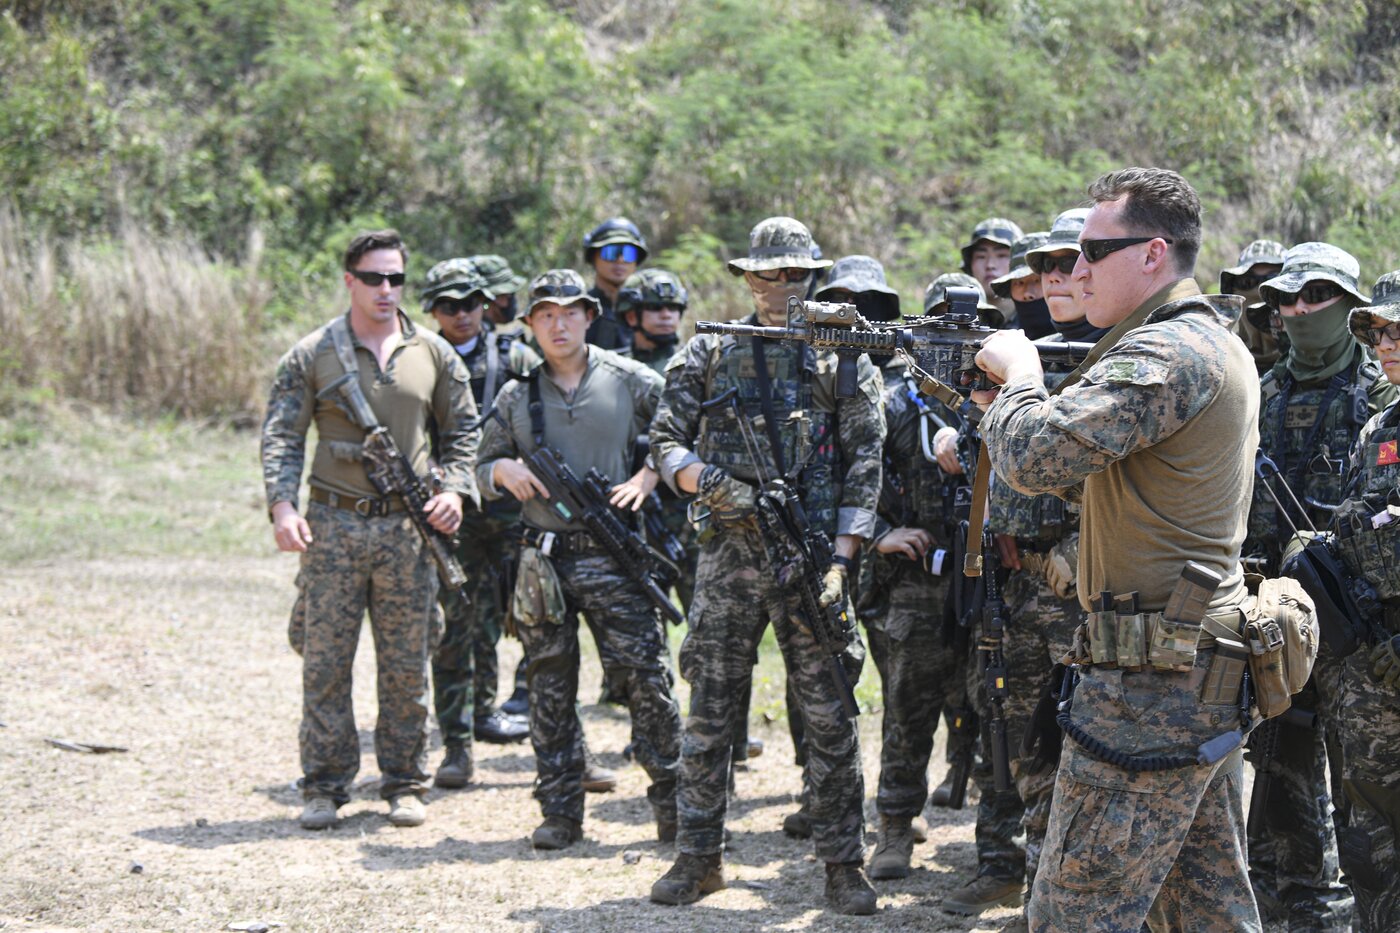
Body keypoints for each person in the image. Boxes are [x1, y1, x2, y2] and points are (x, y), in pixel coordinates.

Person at [974, 167, 1263, 930]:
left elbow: (1036, 459)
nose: (1073, 273)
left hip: (1149, 681)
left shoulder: (1167, 353)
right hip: (1184, 665)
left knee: (1075, 909)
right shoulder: (1196, 343)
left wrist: (1021, 376)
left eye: (1091, 252)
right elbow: (1109, 487)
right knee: (1209, 908)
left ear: (1152, 254)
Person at [648, 217, 885, 915]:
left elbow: (865, 462)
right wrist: (707, 481)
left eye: (794, 275)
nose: (781, 286)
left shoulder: (843, 356)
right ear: (747, 277)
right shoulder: (710, 350)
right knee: (711, 706)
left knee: (830, 711)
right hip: (727, 552)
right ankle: (698, 856)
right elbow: (664, 439)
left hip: (810, 556)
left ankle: (844, 862)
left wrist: (843, 559)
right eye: (768, 274)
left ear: (812, 277)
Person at [261, 229, 480, 831]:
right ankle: (326, 786)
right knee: (325, 661)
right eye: (375, 277)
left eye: (397, 278)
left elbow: (464, 430)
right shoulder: (313, 354)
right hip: (331, 524)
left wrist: (456, 490)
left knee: (407, 664)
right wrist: (283, 506)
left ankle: (404, 781)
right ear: (350, 280)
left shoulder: (432, 352)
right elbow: (282, 434)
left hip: (407, 531)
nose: (387, 290)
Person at [474, 269, 681, 850]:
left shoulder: (631, 379)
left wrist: (647, 474)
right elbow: (478, 465)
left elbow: (683, 431)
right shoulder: (516, 396)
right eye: (545, 315)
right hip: (544, 563)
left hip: (616, 556)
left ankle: (675, 803)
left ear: (590, 316)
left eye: (569, 313)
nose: (558, 325)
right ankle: (561, 810)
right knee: (548, 687)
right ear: (531, 325)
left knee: (646, 681)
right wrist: (500, 471)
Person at [1245, 242, 1391, 931]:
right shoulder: (1262, 393)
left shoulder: (1380, 396)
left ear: (1351, 306)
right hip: (1270, 611)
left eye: (1316, 297)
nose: (1299, 312)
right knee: (1276, 761)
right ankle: (1295, 895)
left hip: (1355, 621)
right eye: (1287, 301)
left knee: (1361, 784)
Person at [815, 255, 957, 882]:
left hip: (997, 575)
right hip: (915, 582)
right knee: (908, 705)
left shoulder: (1001, 395)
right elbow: (843, 477)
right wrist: (877, 533)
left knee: (996, 708)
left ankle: (1003, 846)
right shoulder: (891, 401)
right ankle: (895, 826)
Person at [419, 259, 537, 788]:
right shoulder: (420, 360)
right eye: (449, 306)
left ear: (485, 303)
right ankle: (458, 743)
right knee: (457, 626)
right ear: (434, 312)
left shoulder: (515, 354)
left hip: (516, 509)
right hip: (453, 514)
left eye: (470, 303)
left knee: (534, 619)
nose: (462, 315)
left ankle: (534, 729)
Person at [1326, 271, 1400, 931]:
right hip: (1371, 660)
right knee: (1367, 819)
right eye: (1379, 330)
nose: (1387, 341)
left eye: (1399, 329)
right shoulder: (1378, 424)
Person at [1220, 239, 1286, 375]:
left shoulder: (1311, 363)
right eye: (1247, 282)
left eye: (1273, 279)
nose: (1258, 291)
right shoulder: (1221, 364)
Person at [581, 217, 648, 351]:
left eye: (629, 253)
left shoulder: (650, 310)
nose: (620, 260)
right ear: (593, 257)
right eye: (611, 252)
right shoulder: (577, 309)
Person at [989, 230, 1054, 339]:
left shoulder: (1086, 337)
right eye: (1019, 283)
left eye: (1038, 281)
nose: (1028, 293)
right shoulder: (1003, 340)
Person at [961, 217, 1024, 326]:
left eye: (1002, 256)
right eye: (981, 257)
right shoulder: (960, 319)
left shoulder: (1039, 319)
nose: (990, 265)